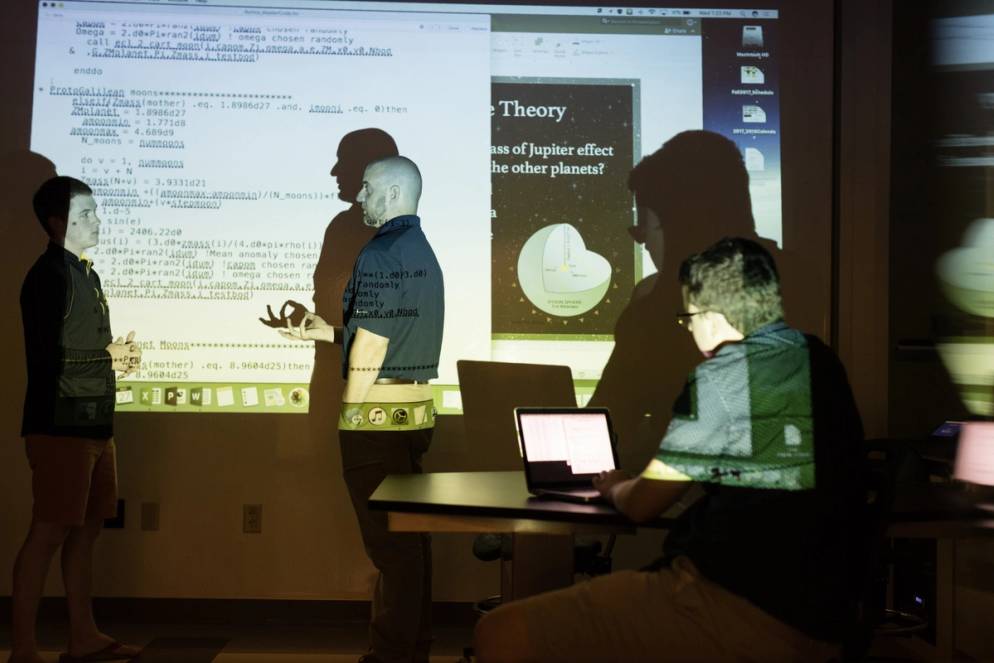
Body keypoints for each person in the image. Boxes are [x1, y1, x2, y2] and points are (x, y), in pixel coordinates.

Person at [474, 238, 865, 662]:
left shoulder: (722, 376)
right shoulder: (820, 358)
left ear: (712, 315)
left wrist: (616, 486)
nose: (691, 330)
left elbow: (644, 504)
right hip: (826, 615)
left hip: (733, 604)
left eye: (689, 318)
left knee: (501, 631)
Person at [280, 156, 444, 663]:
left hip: (374, 417)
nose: (359, 197)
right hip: (413, 415)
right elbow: (389, 332)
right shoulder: (420, 250)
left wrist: (349, 413)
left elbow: (372, 344)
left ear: (393, 194)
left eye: (368, 188)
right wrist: (327, 332)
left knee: (389, 548)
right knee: (409, 542)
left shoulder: (380, 253)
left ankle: (392, 654)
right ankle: (410, 647)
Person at [591, 131, 804, 475]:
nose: (642, 241)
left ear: (678, 227)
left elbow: (610, 425)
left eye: (646, 225)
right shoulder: (801, 282)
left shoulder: (657, 314)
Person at [11, 176, 142, 663]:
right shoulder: (49, 276)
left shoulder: (86, 274)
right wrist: (108, 355)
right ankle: (23, 649)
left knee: (85, 531)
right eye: (85, 214)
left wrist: (115, 357)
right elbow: (48, 357)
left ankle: (82, 637)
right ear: (55, 223)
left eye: (95, 211)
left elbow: (85, 350)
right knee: (47, 531)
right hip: (59, 424)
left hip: (94, 423)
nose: (96, 221)